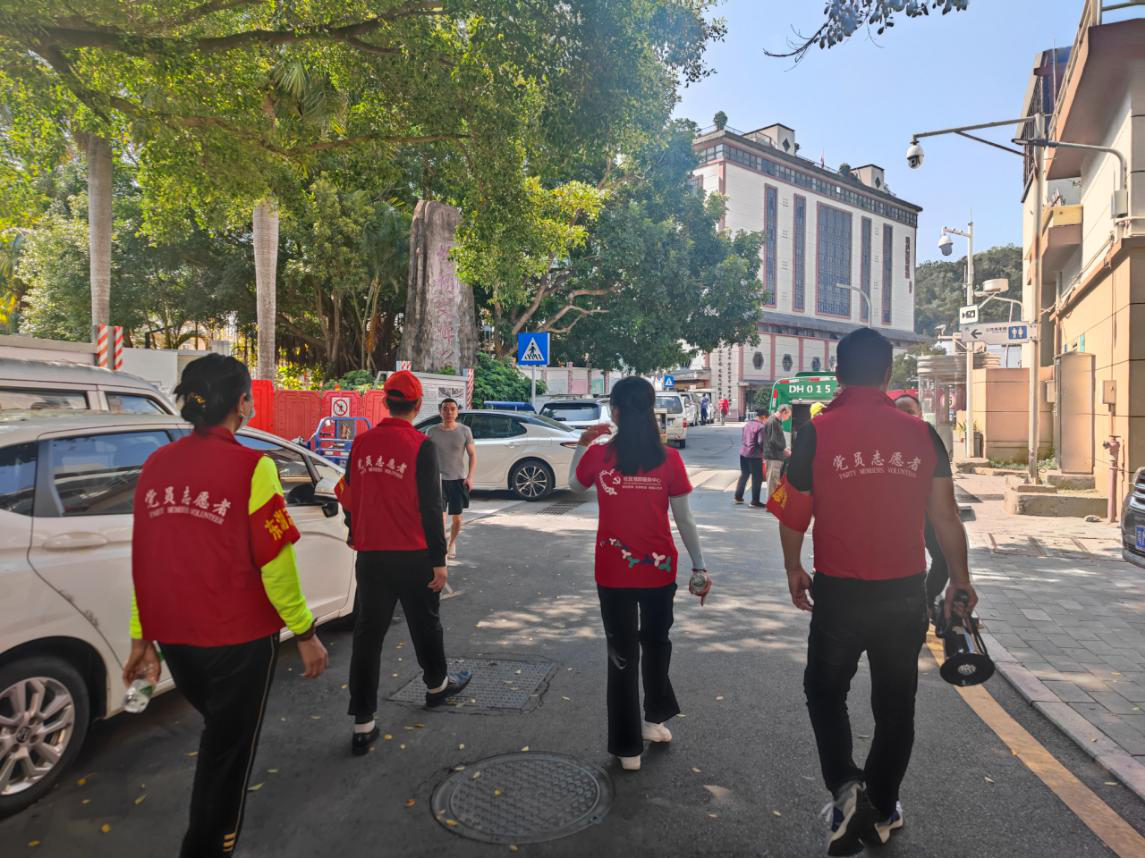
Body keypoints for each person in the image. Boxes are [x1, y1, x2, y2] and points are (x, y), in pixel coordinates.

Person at [767, 328, 975, 856]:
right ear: (887, 374)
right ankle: (881, 806)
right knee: (896, 705)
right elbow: (946, 518)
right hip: (903, 594)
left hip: (839, 595)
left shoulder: (816, 433)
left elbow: (793, 515)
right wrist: (960, 579)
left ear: (838, 373)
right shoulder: (922, 434)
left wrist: (793, 568)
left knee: (824, 691)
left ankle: (846, 786)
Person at [124, 354, 329, 858]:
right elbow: (275, 564)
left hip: (176, 640)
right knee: (227, 752)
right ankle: (209, 845)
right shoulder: (254, 468)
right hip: (239, 644)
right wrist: (305, 632)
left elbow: (144, 556)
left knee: (219, 734)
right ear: (241, 403)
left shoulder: (155, 465)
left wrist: (141, 636)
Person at [568, 377, 710, 771]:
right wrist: (699, 565)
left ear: (614, 412)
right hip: (659, 572)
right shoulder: (669, 459)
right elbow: (685, 519)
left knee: (622, 654)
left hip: (613, 572)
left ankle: (627, 747)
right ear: (650, 411)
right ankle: (653, 719)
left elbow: (573, 485)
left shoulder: (600, 454)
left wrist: (582, 443)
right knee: (657, 643)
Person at [337, 371, 472, 756]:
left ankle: (363, 722)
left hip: (372, 558)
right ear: (416, 407)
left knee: (368, 636)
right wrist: (439, 560)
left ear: (385, 402)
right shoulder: (420, 446)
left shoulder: (361, 443)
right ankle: (436, 686)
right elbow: (431, 507)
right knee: (425, 623)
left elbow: (349, 493)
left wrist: (353, 531)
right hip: (414, 556)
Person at [895, 393, 951, 615]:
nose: (904, 417)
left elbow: (942, 483)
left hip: (928, 512)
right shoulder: (881, 440)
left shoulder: (928, 438)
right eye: (899, 412)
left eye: (909, 412)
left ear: (920, 414)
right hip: (897, 517)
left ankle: (926, 599)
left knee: (944, 558)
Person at [425, 398, 476, 559]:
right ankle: (441, 548)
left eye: (452, 409)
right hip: (437, 480)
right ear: (440, 412)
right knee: (440, 518)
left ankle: (452, 543)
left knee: (457, 519)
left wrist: (470, 477)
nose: (449, 412)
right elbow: (426, 455)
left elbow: (472, 455)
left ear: (457, 412)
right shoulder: (431, 431)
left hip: (458, 480)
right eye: (445, 409)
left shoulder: (465, 431)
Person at [734, 407, 768, 507]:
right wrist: (765, 452)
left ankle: (738, 497)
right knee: (757, 478)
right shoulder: (761, 427)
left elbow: (743, 438)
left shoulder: (747, 424)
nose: (766, 421)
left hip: (744, 453)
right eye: (766, 419)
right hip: (755, 455)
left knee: (744, 474)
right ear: (763, 417)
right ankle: (755, 501)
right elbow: (761, 442)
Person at [764, 404, 791, 505]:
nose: (788, 418)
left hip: (775, 456)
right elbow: (773, 441)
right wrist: (784, 449)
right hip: (773, 456)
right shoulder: (773, 422)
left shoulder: (775, 421)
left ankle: (773, 505)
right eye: (788, 415)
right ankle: (772, 505)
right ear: (783, 412)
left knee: (774, 481)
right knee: (773, 482)